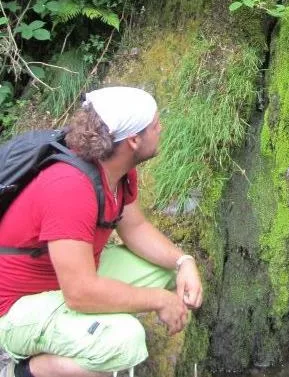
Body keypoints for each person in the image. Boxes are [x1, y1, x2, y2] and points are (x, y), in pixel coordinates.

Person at [0, 87, 203, 377]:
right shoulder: (69, 188)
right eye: (156, 126)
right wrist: (159, 299)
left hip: (67, 279)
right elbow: (80, 293)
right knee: (124, 341)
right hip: (17, 308)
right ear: (133, 140)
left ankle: (84, 329)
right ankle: (25, 370)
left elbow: (136, 229)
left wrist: (185, 261)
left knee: (170, 273)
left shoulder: (116, 169)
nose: (162, 129)